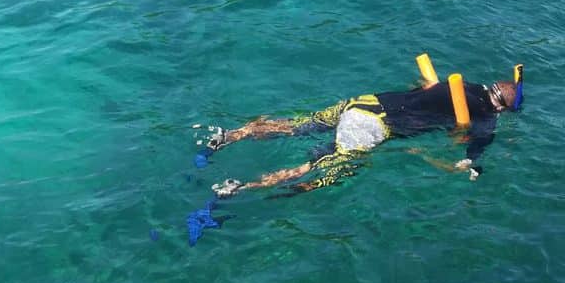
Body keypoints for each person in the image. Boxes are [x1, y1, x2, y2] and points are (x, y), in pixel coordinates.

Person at [194, 73, 522, 198]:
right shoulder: (486, 117)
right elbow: (473, 154)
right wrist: (471, 167)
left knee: (298, 126)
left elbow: (423, 89)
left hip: (365, 102)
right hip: (373, 127)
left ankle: (228, 135)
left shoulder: (463, 84)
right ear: (502, 108)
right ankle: (243, 188)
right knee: (323, 170)